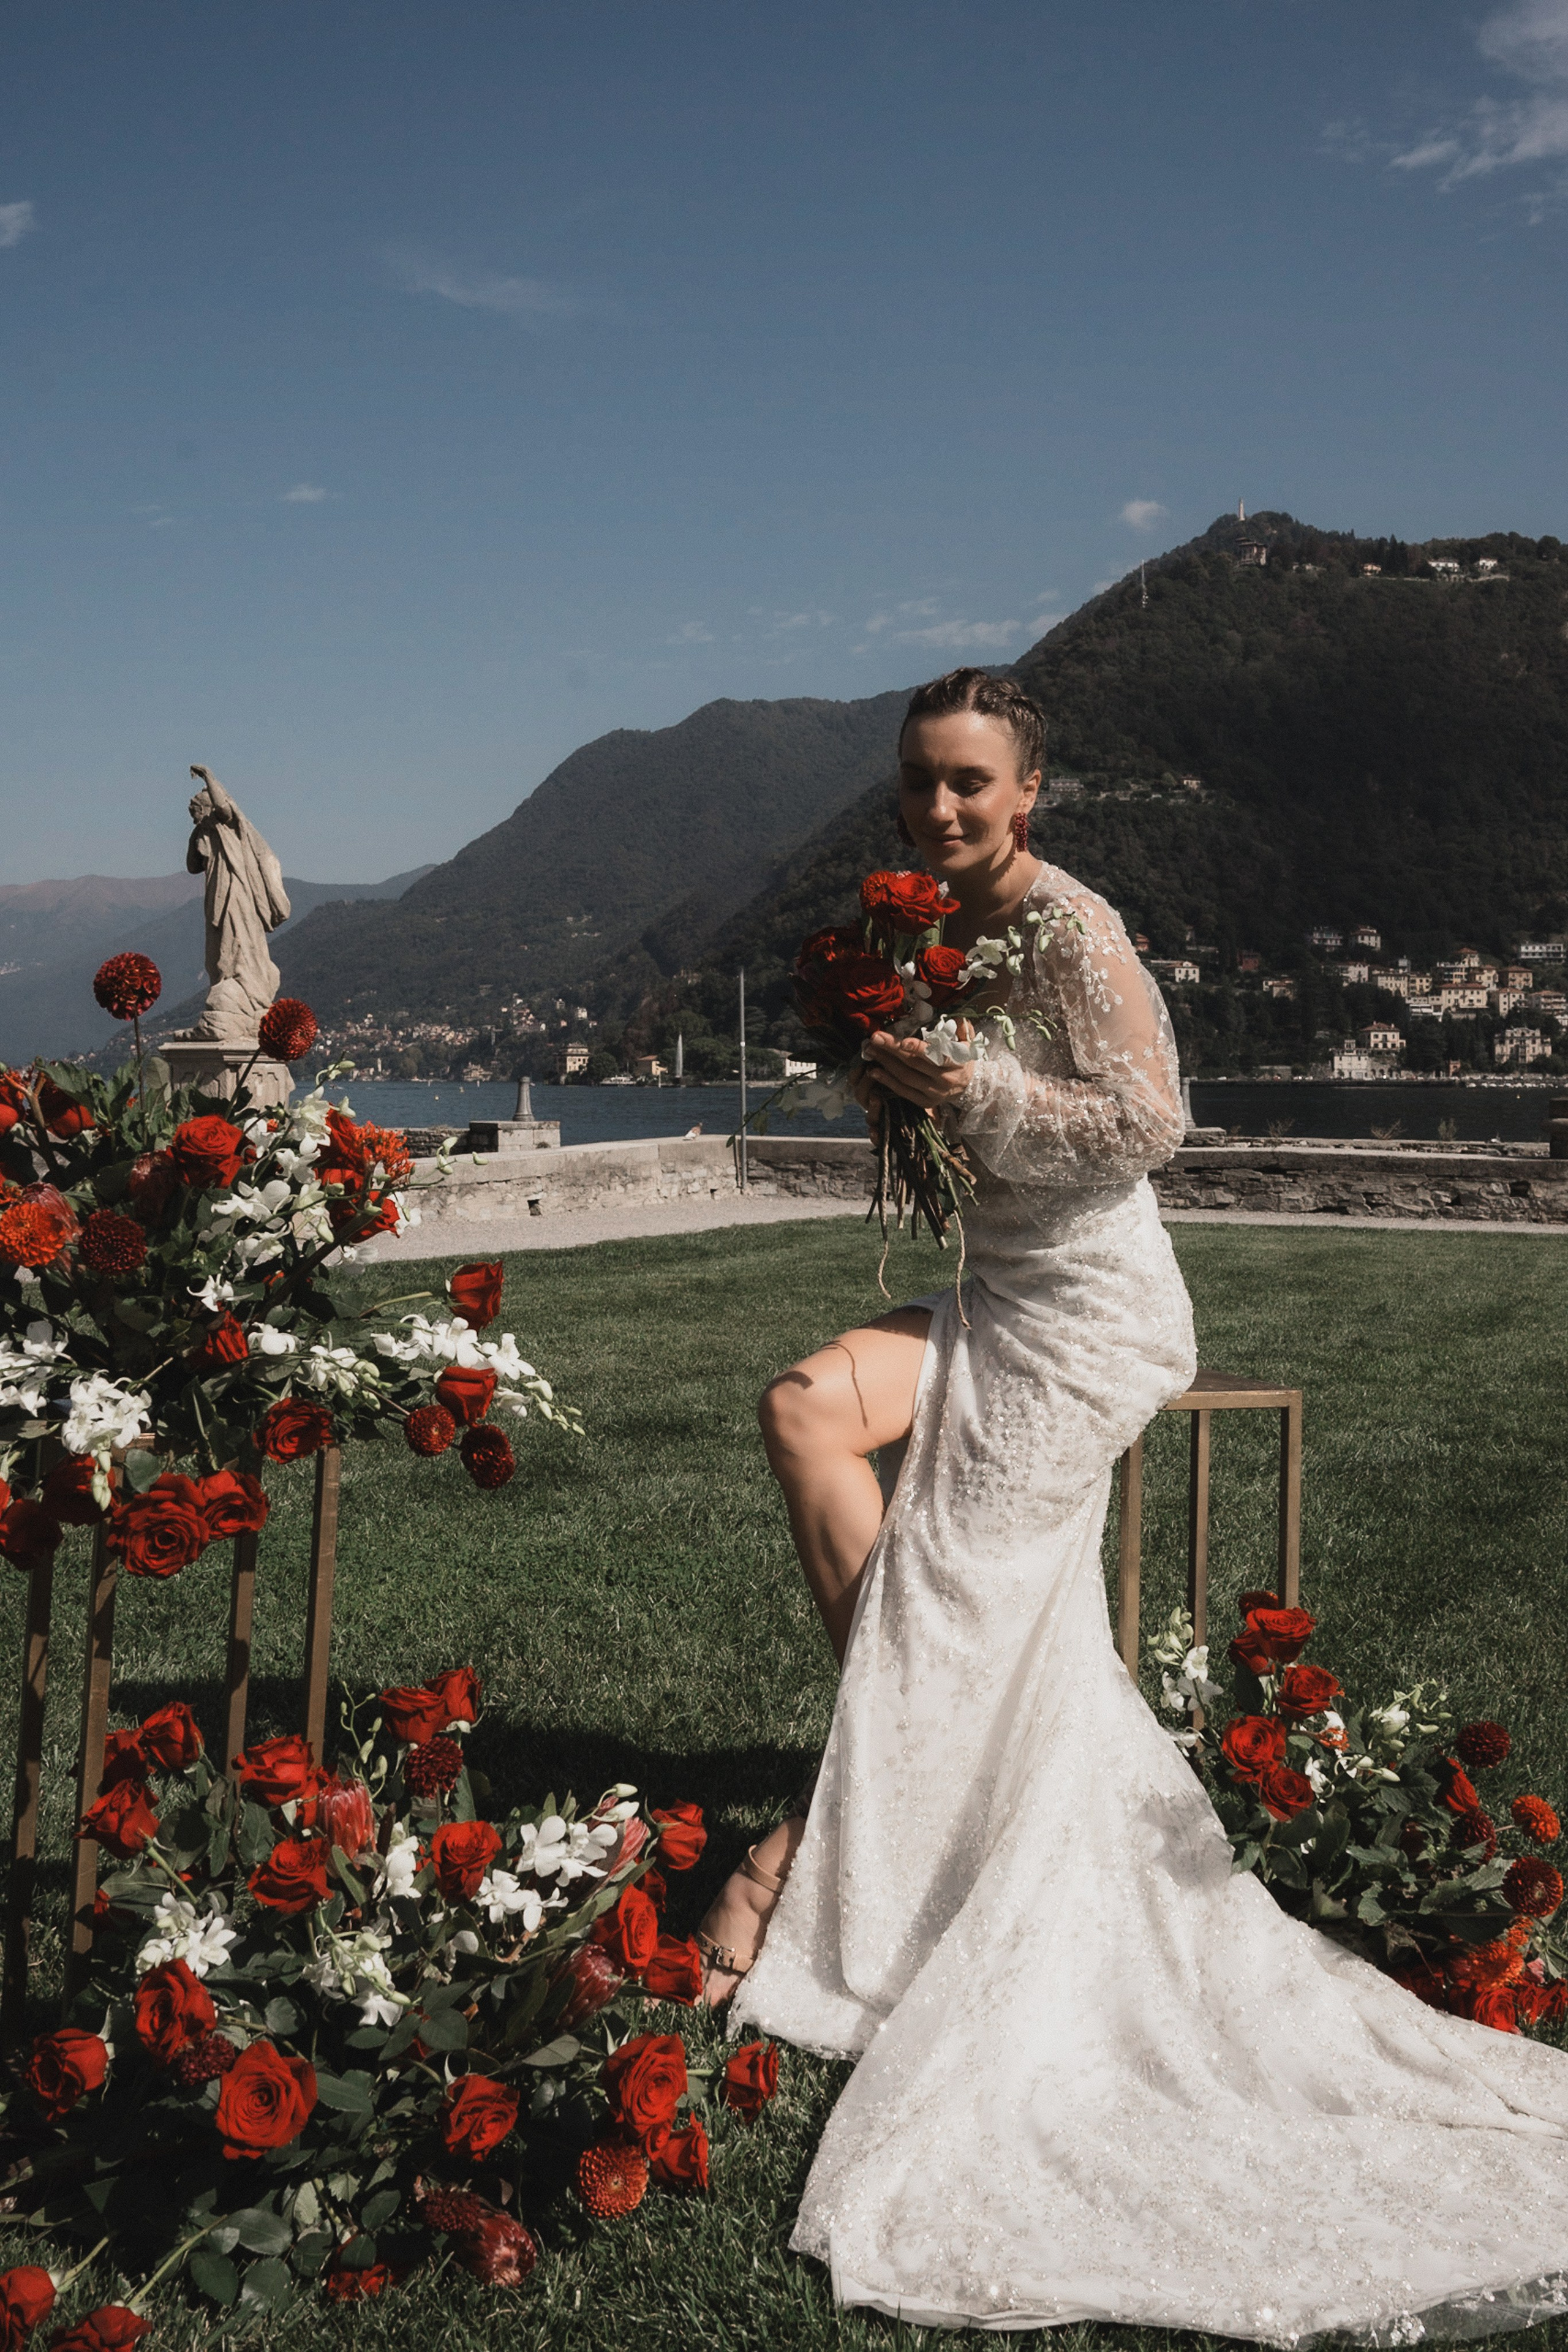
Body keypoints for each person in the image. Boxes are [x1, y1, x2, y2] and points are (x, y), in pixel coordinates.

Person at [696, 668, 1568, 2342]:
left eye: (968, 786)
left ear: (1031, 795)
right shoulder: (928, 932)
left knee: (950, 1595)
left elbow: (1150, 1122)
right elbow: (957, 1122)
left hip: (1091, 1323)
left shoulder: (1075, 929)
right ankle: (901, 1811)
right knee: (804, 1409)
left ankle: (791, 1864)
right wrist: (894, 1072)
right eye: (916, 787)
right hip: (996, 1299)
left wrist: (978, 1094)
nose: (937, 812)